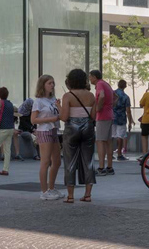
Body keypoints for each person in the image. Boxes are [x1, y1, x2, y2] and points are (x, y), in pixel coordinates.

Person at [59, 68, 96, 203]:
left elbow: (64, 117)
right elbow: (93, 116)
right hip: (88, 128)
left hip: (72, 128)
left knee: (70, 161)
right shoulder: (91, 96)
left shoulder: (68, 96)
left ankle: (70, 196)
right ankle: (88, 195)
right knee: (88, 161)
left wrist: (58, 107)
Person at [31, 75, 63, 201]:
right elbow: (33, 119)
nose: (52, 85)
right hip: (44, 131)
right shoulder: (38, 101)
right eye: (49, 83)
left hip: (54, 130)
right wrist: (50, 119)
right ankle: (44, 191)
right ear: (43, 85)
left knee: (57, 161)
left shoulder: (52, 99)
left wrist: (59, 106)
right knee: (45, 161)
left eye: (53, 83)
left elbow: (59, 114)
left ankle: (51, 188)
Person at [89, 69, 116, 176]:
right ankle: (109, 167)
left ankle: (101, 168)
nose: (90, 79)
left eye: (90, 77)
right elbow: (115, 97)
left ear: (95, 77)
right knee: (108, 141)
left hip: (102, 116)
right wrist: (110, 106)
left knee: (100, 141)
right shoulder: (106, 83)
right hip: (109, 115)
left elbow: (102, 95)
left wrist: (98, 109)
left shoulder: (100, 84)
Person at [112, 80, 134, 161]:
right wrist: (130, 121)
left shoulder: (112, 93)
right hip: (121, 118)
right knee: (120, 136)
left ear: (118, 85)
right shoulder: (126, 97)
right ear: (125, 86)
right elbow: (128, 111)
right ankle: (119, 154)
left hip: (112, 117)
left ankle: (109, 154)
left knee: (112, 136)